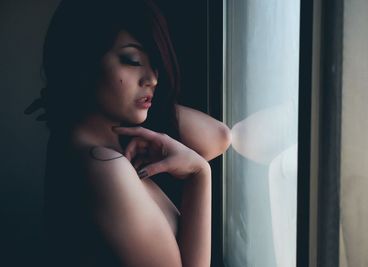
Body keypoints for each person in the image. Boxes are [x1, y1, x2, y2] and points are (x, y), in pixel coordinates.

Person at [25, 0, 231, 266]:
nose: (152, 78)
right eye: (132, 60)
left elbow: (219, 136)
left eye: (154, 62)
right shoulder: (105, 168)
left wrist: (142, 106)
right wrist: (199, 174)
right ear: (84, 61)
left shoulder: (80, 144)